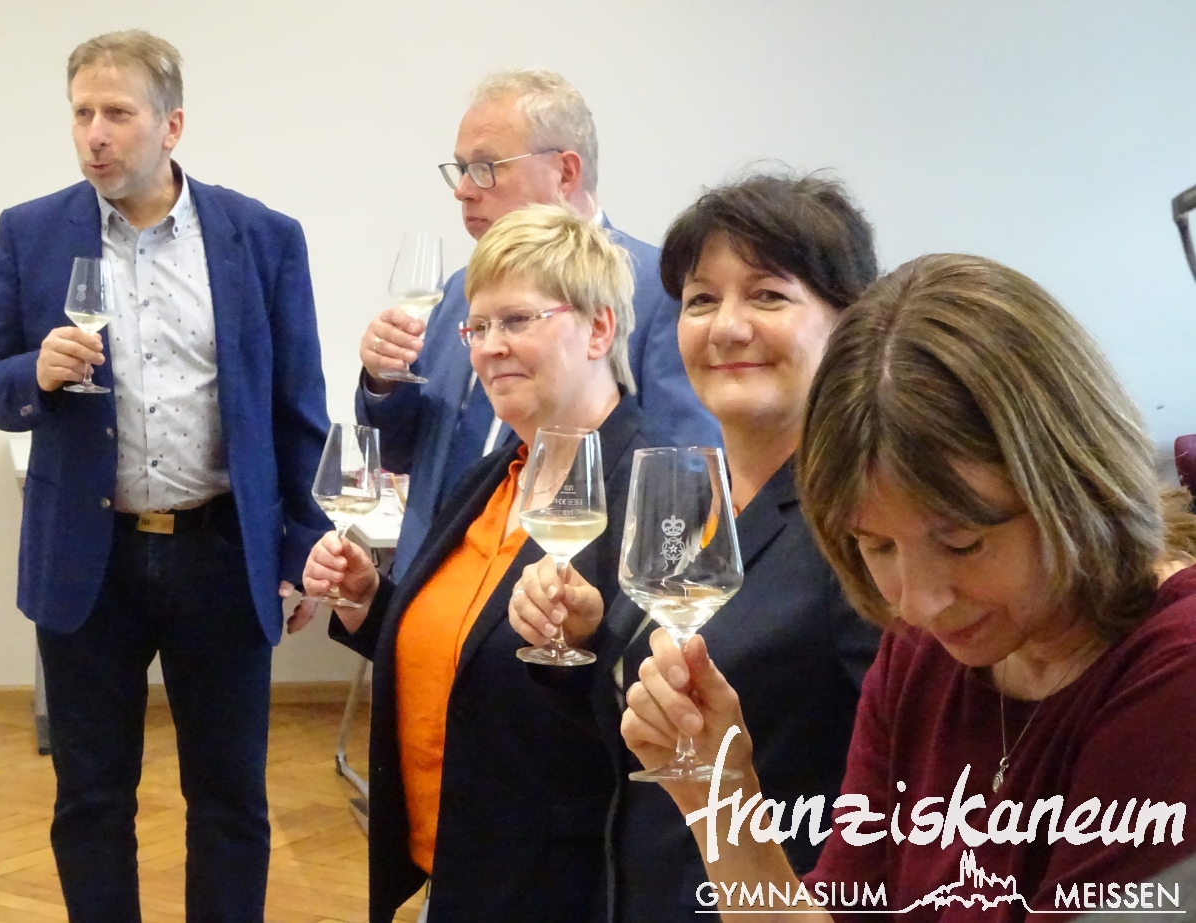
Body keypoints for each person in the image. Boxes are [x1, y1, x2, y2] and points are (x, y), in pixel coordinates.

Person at [621, 253, 1196, 921]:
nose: (918, 602)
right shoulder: (925, 651)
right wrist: (719, 797)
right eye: (877, 546)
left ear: (1073, 484)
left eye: (963, 543)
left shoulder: (1174, 676)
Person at [0, 31, 330, 923]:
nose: (94, 133)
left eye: (117, 113)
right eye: (81, 113)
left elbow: (297, 409)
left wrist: (301, 546)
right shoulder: (31, 232)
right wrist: (31, 373)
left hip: (221, 552)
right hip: (88, 559)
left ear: (172, 125)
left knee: (231, 799)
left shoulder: (262, 238)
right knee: (91, 800)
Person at [507, 174, 883, 922]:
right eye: (702, 299)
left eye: (768, 296)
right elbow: (642, 742)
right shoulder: (697, 502)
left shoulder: (864, 531)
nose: (726, 327)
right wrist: (584, 638)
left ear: (851, 322)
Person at [301, 205, 657, 923]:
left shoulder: (649, 489)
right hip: (456, 865)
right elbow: (466, 651)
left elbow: (663, 707)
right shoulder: (493, 476)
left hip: (565, 887)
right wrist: (369, 603)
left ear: (599, 329)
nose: (490, 348)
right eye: (478, 328)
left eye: (517, 320)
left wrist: (589, 642)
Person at [356, 69, 720, 581]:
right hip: (429, 586)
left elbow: (683, 482)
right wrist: (384, 382)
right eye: (460, 170)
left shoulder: (659, 289)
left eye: (484, 168)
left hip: (559, 596)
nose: (463, 191)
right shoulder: (460, 289)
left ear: (565, 173)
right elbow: (404, 454)